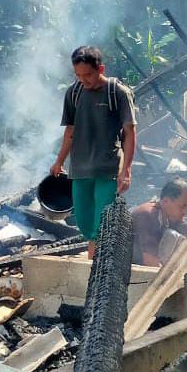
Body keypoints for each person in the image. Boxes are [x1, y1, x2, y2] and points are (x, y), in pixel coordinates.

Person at [50, 46, 137, 258]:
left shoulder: (117, 93)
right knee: (84, 221)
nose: (83, 80)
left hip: (107, 168)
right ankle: (96, 258)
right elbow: (70, 130)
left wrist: (126, 170)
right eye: (78, 75)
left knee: (102, 222)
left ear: (101, 68)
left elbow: (130, 132)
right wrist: (59, 160)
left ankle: (96, 266)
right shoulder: (74, 92)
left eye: (88, 75)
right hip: (80, 168)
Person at [131, 178, 187, 266]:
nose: (185, 211)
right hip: (129, 269)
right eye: (182, 206)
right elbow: (150, 261)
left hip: (146, 265)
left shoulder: (169, 215)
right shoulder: (147, 215)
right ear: (165, 201)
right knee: (172, 236)